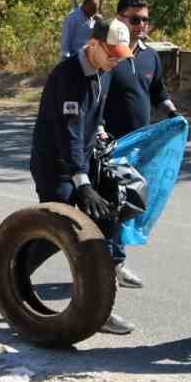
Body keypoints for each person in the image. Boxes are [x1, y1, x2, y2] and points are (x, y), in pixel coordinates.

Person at [28, 17, 136, 334]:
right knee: (63, 230)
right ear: (92, 44)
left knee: (101, 226)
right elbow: (70, 133)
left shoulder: (102, 71)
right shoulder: (68, 77)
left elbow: (94, 116)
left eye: (120, 54)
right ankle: (11, 276)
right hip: (56, 167)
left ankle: (99, 310)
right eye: (112, 53)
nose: (116, 59)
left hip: (81, 163)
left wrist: (101, 132)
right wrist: (81, 180)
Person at [102, 0, 181, 289]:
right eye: (135, 19)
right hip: (112, 145)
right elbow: (96, 95)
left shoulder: (150, 56)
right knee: (110, 206)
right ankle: (103, 266)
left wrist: (172, 113)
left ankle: (117, 263)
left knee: (130, 206)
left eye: (145, 19)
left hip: (141, 146)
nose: (141, 25)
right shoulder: (109, 54)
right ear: (119, 19)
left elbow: (159, 92)